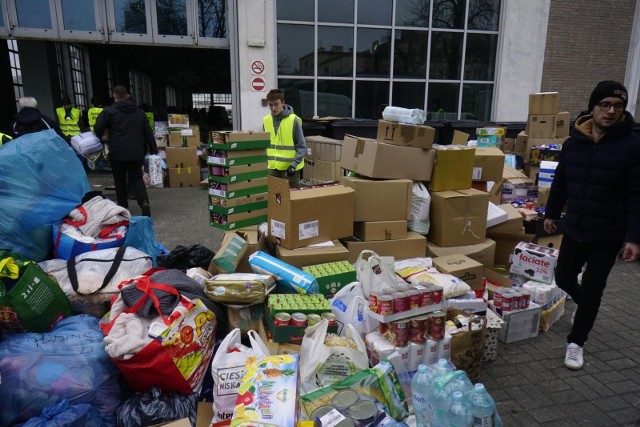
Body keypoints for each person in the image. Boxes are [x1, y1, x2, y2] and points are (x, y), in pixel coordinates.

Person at [544, 80, 640, 370]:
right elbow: (560, 182)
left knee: (595, 288)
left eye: (618, 106)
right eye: (605, 105)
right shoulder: (574, 143)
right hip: (575, 228)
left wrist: (634, 238)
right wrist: (551, 214)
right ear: (593, 107)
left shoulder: (633, 146)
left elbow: (638, 195)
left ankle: (576, 342)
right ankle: (584, 304)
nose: (611, 111)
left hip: (608, 234)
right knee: (562, 278)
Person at [94, 85, 158, 217]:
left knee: (120, 180)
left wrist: (102, 138)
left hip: (118, 152)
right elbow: (148, 132)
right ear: (127, 95)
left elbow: (98, 127)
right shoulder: (139, 112)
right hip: (136, 152)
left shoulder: (109, 112)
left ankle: (123, 207)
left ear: (114, 96)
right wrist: (153, 149)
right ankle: (143, 202)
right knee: (137, 178)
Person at [263, 89, 306, 187]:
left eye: (276, 104)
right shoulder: (266, 120)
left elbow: (302, 147)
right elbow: (266, 145)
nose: (273, 108)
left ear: (283, 102)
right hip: (272, 169)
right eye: (270, 105)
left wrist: (294, 165)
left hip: (290, 170)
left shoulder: (293, 120)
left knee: (291, 199)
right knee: (274, 198)